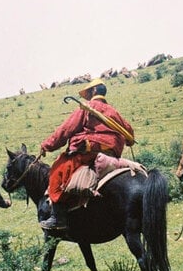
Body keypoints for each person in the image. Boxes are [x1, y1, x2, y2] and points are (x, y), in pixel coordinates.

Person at [39, 78, 135, 230]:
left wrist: (47, 145)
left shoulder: (86, 108)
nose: (88, 95)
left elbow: (66, 130)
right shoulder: (114, 112)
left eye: (89, 92)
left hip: (90, 151)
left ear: (94, 91)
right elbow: (129, 133)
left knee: (57, 171)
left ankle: (58, 218)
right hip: (113, 153)